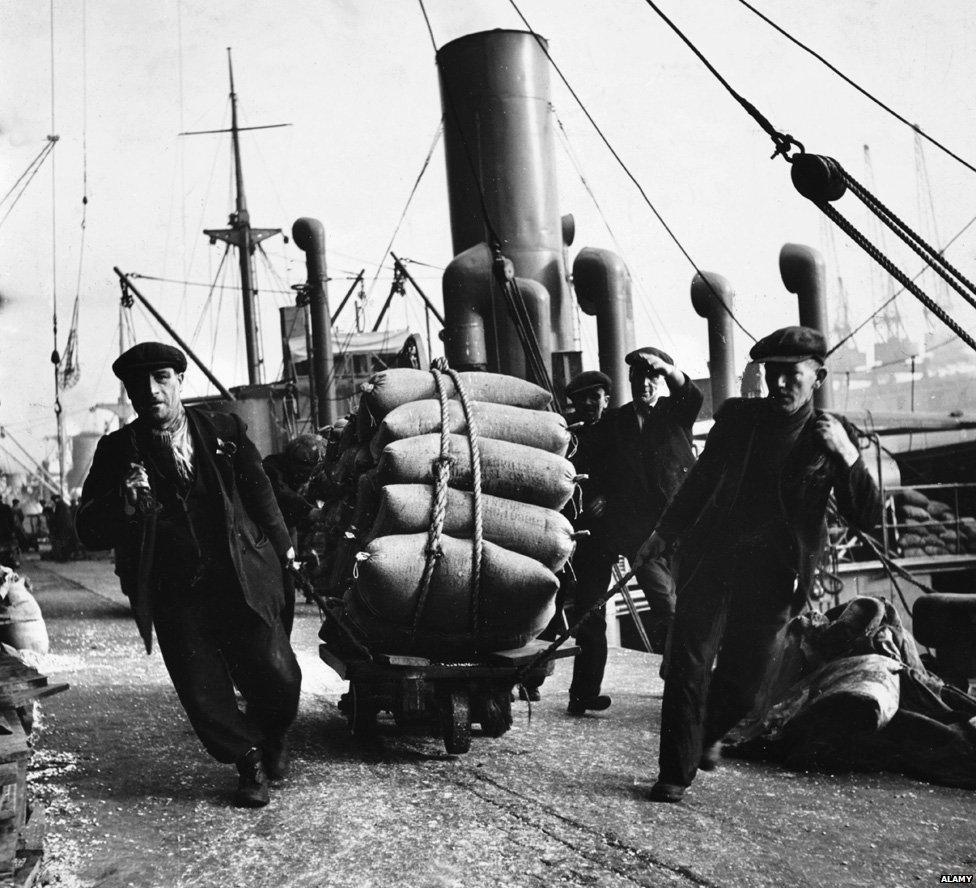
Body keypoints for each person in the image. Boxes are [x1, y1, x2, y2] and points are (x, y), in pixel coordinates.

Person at [637, 326, 882, 803]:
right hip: (712, 558)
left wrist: (849, 458)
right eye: (773, 374)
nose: (781, 384)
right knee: (687, 663)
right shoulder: (738, 418)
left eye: (792, 375)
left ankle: (707, 734)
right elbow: (701, 481)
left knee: (747, 685)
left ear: (818, 377)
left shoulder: (830, 435)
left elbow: (867, 517)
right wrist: (662, 533)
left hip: (774, 574)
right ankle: (674, 772)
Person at [75, 342, 301, 808]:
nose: (151, 391)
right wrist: (122, 501)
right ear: (130, 394)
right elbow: (87, 529)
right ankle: (249, 761)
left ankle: (274, 732)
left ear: (180, 381)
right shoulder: (117, 451)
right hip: (175, 590)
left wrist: (285, 550)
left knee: (279, 674)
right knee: (203, 692)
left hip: (240, 576)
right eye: (139, 385)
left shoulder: (222, 427)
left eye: (160, 379)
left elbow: (260, 492)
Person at [579, 348, 703, 665]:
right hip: (642, 539)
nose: (645, 385)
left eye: (652, 377)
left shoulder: (676, 411)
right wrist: (598, 494)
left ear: (660, 381)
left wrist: (667, 369)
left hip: (683, 528)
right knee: (669, 608)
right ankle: (680, 678)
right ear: (630, 380)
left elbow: (692, 393)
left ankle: (677, 675)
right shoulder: (615, 422)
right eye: (639, 378)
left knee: (693, 608)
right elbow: (592, 463)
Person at [262, 433, 329, 634]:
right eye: (304, 473)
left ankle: (284, 641)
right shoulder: (271, 468)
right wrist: (310, 511)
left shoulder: (310, 476)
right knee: (274, 590)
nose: (306, 479)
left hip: (289, 532)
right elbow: (281, 494)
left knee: (288, 589)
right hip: (267, 534)